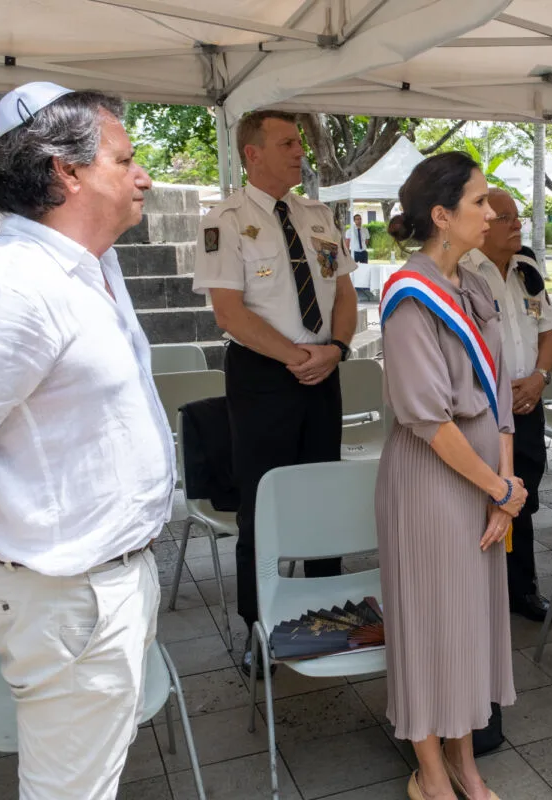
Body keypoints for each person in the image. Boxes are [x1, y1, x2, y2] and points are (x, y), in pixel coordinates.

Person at [0, 83, 172, 798]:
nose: (143, 176)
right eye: (125, 160)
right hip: (62, 592)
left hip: (100, 583)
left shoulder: (88, 265)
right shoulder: (13, 288)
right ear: (66, 172)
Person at [375, 152, 521, 800]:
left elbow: (501, 391)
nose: (491, 214)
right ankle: (431, 773)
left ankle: (466, 766)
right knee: (433, 626)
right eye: (479, 202)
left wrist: (506, 488)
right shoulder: (410, 295)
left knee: (467, 627)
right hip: (433, 485)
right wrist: (499, 488)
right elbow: (427, 420)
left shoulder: (475, 285)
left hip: (485, 483)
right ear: (441, 215)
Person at [193, 110, 359, 676]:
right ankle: (259, 625)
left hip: (323, 369)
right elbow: (229, 313)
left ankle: (329, 614)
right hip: (264, 375)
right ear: (252, 154)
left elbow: (343, 293)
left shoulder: (317, 215)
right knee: (261, 503)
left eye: (299, 143)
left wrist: (336, 348)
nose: (299, 152)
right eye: (287, 143)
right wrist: (296, 357)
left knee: (323, 494)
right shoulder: (225, 220)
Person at [461, 188, 552, 623]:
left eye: (518, 216)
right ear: (484, 224)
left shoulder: (527, 269)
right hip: (483, 409)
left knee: (523, 498)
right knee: (480, 499)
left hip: (527, 404)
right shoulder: (463, 272)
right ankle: (478, 597)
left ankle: (522, 590)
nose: (518, 224)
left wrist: (540, 378)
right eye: (506, 218)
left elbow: (548, 332)